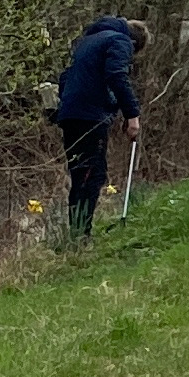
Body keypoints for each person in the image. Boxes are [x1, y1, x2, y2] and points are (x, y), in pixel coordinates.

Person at [50, 12, 148, 244]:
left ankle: (77, 233)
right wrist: (132, 114)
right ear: (134, 44)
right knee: (92, 174)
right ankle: (81, 235)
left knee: (79, 172)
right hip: (90, 116)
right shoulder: (119, 41)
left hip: (71, 114)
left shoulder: (87, 42)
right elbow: (116, 76)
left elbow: (66, 78)